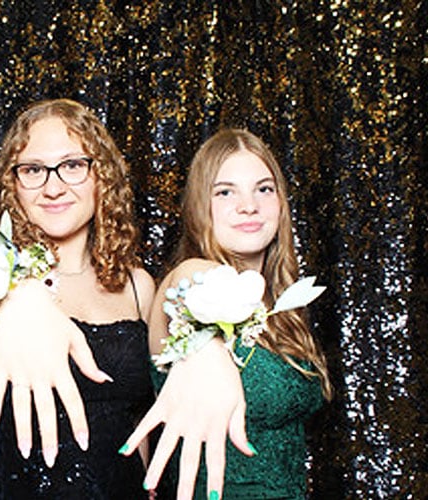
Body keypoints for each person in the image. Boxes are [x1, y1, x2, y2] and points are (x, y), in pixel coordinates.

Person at [0, 98, 157, 498]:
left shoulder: (138, 285)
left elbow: (137, 411)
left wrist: (146, 479)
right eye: (32, 170)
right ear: (11, 185)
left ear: (102, 175)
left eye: (73, 165)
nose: (53, 186)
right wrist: (22, 293)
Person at [126, 128, 332, 499]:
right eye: (225, 192)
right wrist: (205, 346)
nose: (248, 205)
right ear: (199, 206)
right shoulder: (186, 280)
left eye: (263, 189)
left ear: (281, 203)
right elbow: (191, 281)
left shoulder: (283, 308)